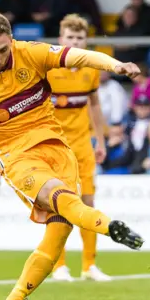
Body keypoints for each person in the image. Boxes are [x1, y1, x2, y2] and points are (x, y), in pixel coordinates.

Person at [0, 13, 144, 300]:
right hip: (19, 158)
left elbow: (77, 55)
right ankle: (109, 226)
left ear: (11, 40)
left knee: (58, 231)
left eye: (4, 49)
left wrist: (115, 66)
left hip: (59, 151)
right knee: (61, 198)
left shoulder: (30, 53)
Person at [47, 15, 111, 283]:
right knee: (59, 205)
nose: (74, 42)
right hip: (55, 146)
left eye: (79, 38)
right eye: (70, 38)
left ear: (85, 41)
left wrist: (101, 140)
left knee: (88, 201)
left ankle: (89, 265)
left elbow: (94, 105)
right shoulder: (48, 68)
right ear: (61, 40)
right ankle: (58, 266)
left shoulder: (91, 69)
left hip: (83, 145)